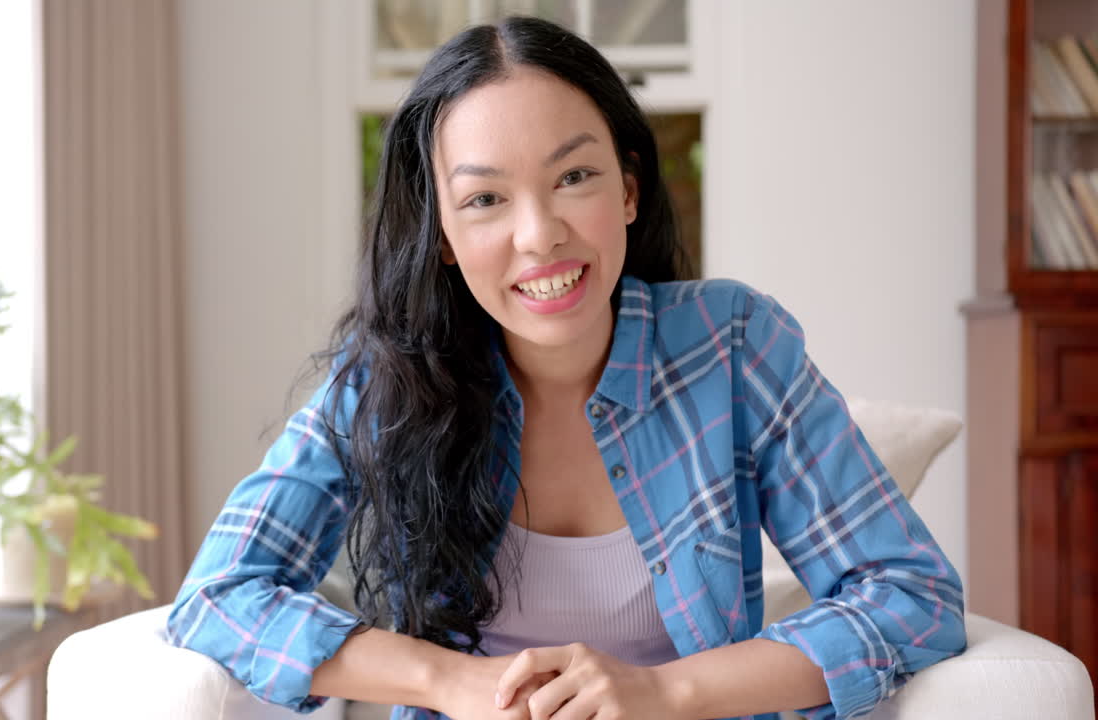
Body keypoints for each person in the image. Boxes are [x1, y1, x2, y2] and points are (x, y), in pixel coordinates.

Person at [167, 16, 966, 720]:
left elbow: (913, 597)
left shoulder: (732, 345)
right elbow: (217, 594)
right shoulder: (387, 380)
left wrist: (665, 693)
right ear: (442, 236)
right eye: (486, 200)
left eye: (574, 177)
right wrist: (449, 682)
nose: (539, 234)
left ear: (627, 187)